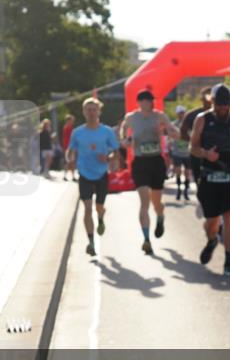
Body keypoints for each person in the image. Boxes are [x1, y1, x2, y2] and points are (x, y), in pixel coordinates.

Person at [191, 83, 230, 276]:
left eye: (226, 104)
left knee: (229, 217)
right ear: (212, 102)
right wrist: (206, 154)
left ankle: (228, 262)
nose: (223, 108)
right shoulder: (202, 119)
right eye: (219, 104)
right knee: (211, 221)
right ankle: (211, 240)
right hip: (210, 173)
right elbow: (192, 148)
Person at [119, 90, 180, 255]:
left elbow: (174, 131)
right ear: (139, 102)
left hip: (156, 161)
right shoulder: (131, 117)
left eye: (151, 100)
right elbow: (123, 135)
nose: (149, 103)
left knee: (156, 201)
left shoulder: (159, 116)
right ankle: (146, 239)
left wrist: (171, 132)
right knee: (144, 201)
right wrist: (125, 140)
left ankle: (160, 217)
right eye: (146, 100)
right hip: (140, 162)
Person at [67, 98, 119, 256]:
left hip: (102, 173)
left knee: (99, 207)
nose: (91, 112)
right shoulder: (78, 133)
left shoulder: (107, 131)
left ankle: (101, 216)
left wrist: (109, 158)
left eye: (94, 109)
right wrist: (69, 159)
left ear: (99, 111)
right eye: (88, 110)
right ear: (84, 112)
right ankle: (91, 242)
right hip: (84, 173)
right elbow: (70, 150)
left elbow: (116, 152)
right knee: (87, 208)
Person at [181, 87, 214, 193]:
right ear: (201, 98)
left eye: (211, 96)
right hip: (198, 153)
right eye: (206, 96)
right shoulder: (192, 115)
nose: (208, 99)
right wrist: (193, 141)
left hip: (216, 152)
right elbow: (183, 131)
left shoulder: (222, 114)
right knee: (199, 178)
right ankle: (202, 195)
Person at [169, 105, 193, 201]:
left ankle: (186, 191)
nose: (181, 115)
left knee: (187, 173)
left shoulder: (190, 125)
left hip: (187, 153)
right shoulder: (173, 124)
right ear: (177, 114)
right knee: (178, 171)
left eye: (183, 113)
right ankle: (179, 190)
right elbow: (171, 135)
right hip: (177, 153)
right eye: (180, 113)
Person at [61, 115, 77, 180]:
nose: (72, 121)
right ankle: (69, 176)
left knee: (70, 162)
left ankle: (70, 176)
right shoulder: (68, 128)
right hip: (70, 147)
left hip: (69, 147)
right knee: (70, 162)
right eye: (71, 120)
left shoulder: (68, 127)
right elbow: (68, 139)